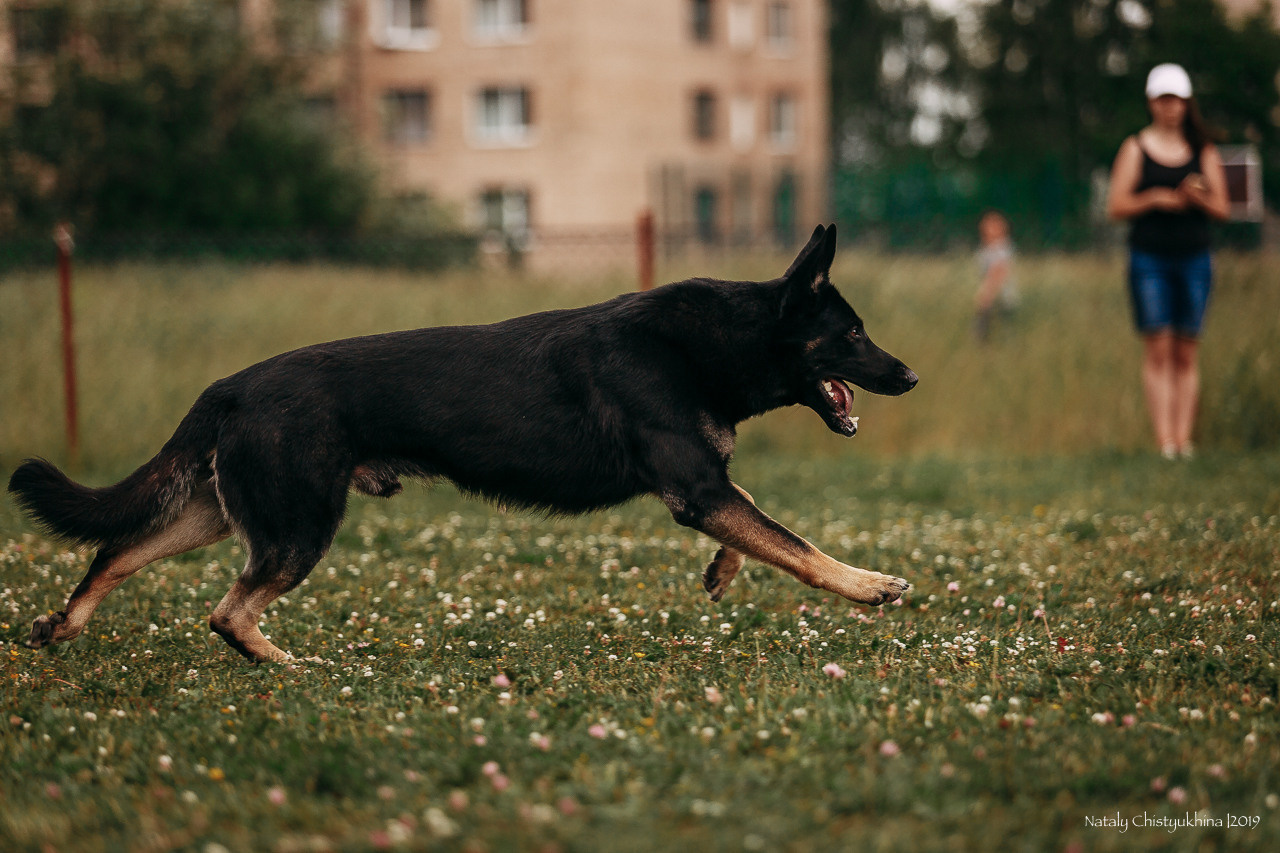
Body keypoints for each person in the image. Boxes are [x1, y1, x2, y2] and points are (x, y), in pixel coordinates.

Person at [1106, 63, 1229, 460]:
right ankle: (1165, 444)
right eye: (1162, 99)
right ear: (1151, 103)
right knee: (1158, 347)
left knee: (1185, 350)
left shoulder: (1202, 151)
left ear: (1185, 103)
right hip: (1149, 258)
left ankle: (1184, 439)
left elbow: (1223, 208)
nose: (1169, 107)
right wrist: (1155, 198)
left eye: (1175, 99)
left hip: (1194, 257)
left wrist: (1197, 198)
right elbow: (1116, 205)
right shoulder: (1135, 148)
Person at [973, 209, 1018, 342]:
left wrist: (987, 293)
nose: (988, 227)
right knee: (987, 325)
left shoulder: (1002, 247)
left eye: (993, 225)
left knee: (998, 326)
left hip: (1000, 293)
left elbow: (999, 270)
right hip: (991, 291)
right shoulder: (987, 247)